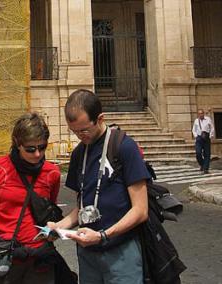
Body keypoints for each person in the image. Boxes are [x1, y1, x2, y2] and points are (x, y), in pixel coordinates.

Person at [48, 89, 150, 284]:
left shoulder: (124, 147)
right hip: (88, 255)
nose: (79, 136)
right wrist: (60, 226)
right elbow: (83, 205)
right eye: (74, 131)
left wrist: (103, 236)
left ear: (100, 118)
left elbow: (140, 210)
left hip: (121, 252)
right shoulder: (79, 154)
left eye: (84, 130)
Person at [0, 112, 61, 284]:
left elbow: (48, 212)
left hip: (39, 259)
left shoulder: (52, 173)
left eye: (42, 147)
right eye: (30, 149)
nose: (37, 154)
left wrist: (53, 231)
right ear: (17, 144)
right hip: (3, 258)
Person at [192, 109, 215, 174]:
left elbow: (212, 128)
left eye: (202, 113)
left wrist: (210, 136)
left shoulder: (208, 119)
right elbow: (194, 129)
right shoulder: (196, 121)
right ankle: (202, 164)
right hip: (199, 138)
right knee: (198, 153)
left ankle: (206, 168)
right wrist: (196, 136)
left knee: (207, 153)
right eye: (199, 114)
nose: (201, 115)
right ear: (198, 114)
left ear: (203, 114)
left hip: (206, 137)